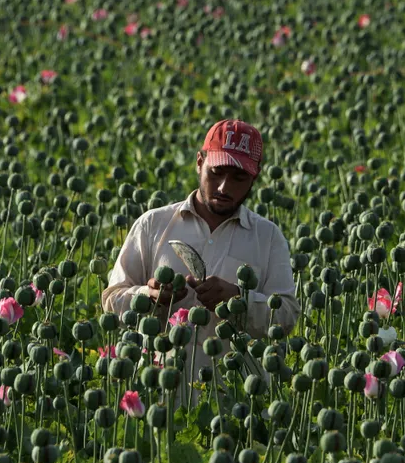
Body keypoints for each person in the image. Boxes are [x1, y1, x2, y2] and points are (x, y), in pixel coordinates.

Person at [101, 119, 300, 395]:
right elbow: (111, 300)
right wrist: (149, 296)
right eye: (216, 172)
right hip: (158, 394)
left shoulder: (267, 238)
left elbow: (287, 315)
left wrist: (238, 299)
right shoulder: (153, 225)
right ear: (199, 162)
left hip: (236, 398)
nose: (223, 187)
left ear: (255, 177)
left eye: (239, 179)